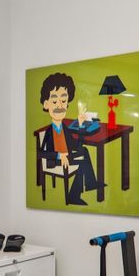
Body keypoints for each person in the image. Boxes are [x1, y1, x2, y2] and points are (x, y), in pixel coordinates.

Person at [38, 72, 99, 206]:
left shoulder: (64, 127)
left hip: (67, 154)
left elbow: (74, 145)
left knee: (84, 151)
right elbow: (41, 153)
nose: (60, 106)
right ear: (46, 104)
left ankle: (91, 183)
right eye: (54, 101)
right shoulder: (49, 131)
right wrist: (60, 156)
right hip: (55, 160)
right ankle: (73, 196)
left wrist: (81, 125)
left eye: (63, 101)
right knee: (81, 164)